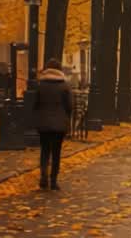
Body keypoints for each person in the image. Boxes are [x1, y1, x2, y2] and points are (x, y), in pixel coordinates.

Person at [32, 58, 73, 190]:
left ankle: (43, 177)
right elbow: (70, 106)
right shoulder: (64, 86)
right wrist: (67, 119)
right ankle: (54, 181)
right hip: (59, 124)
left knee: (44, 151)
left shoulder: (40, 85)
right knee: (56, 153)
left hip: (43, 123)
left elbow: (35, 104)